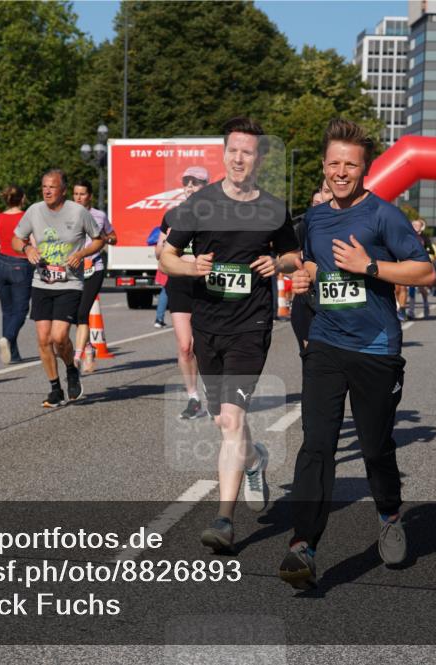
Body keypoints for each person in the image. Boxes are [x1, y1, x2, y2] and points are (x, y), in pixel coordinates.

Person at [278, 118, 434, 590]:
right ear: (323, 167)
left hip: (376, 347)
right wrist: (300, 273)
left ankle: (388, 514)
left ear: (364, 168)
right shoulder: (317, 217)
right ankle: (302, 544)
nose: (341, 172)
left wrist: (369, 266)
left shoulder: (385, 215)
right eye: (334, 164)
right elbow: (301, 259)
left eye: (351, 164)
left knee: (374, 447)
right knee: (317, 444)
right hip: (326, 341)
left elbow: (425, 272)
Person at [159, 117, 301, 553]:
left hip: (251, 324)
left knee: (231, 420)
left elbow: (295, 255)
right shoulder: (199, 204)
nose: (240, 158)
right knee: (225, 421)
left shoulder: (273, 209)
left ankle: (223, 519)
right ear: (224, 154)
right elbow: (167, 256)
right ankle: (256, 459)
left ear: (259, 159)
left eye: (249, 152)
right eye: (233, 150)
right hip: (208, 324)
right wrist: (191, 267)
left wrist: (277, 264)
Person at [12, 169, 105, 407]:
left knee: (59, 336)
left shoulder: (78, 212)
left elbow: (99, 238)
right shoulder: (34, 211)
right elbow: (15, 239)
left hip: (70, 283)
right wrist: (27, 249)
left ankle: (71, 369)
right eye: (44, 186)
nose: (47, 191)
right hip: (42, 282)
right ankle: (55, 388)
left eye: (52, 187)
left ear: (63, 190)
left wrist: (82, 253)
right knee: (43, 339)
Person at [156, 166, 210, 418]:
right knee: (185, 346)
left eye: (196, 182)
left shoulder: (214, 215)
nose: (190, 186)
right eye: (186, 182)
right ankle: (193, 398)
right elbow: (159, 254)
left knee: (207, 345)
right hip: (178, 283)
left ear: (206, 187)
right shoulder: (172, 216)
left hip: (206, 284)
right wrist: (167, 243)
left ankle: (217, 396)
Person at [71, 179, 117, 373]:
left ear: (89, 195)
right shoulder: (67, 215)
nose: (78, 198)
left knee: (83, 312)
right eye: (75, 194)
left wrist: (105, 238)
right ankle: (89, 346)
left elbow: (114, 236)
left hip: (94, 268)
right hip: (73, 270)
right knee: (73, 313)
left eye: (82, 194)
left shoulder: (99, 215)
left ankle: (80, 354)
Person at [0, 186, 33, 364]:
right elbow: (34, 243)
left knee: (7, 311)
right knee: (22, 310)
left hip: (0, 265)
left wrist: (5, 243)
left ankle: (13, 355)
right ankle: (7, 337)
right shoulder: (27, 217)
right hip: (21, 264)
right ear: (22, 199)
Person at [290, 181, 333, 353]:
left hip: (343, 306)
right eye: (326, 191)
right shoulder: (306, 224)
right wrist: (295, 272)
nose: (329, 196)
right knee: (311, 361)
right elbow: (292, 257)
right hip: (308, 302)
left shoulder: (360, 222)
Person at [406, 219, 432, 320]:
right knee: (411, 287)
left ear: (422, 227)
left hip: (421, 264)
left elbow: (432, 251)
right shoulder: (407, 237)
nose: (414, 226)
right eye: (413, 224)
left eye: (417, 225)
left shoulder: (425, 238)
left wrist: (427, 256)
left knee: (421, 288)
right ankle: (411, 311)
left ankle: (426, 304)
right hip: (410, 264)